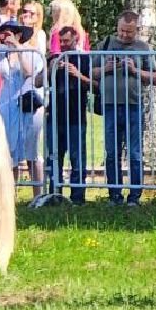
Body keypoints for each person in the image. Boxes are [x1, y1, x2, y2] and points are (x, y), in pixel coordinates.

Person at [95, 10, 156, 205]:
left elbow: (155, 78)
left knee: (135, 153)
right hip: (110, 106)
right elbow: (91, 72)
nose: (124, 35)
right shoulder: (105, 45)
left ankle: (134, 197)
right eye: (122, 31)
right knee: (112, 152)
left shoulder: (143, 48)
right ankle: (114, 195)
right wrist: (106, 68)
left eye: (129, 32)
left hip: (134, 106)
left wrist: (135, 70)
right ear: (117, 28)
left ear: (136, 31)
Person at [0, 18, 44, 191]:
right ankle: (9, 192)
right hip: (5, 104)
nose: (6, 37)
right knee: (7, 150)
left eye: (9, 33)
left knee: (31, 150)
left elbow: (28, 72)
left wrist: (17, 47)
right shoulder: (1, 53)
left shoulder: (30, 51)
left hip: (25, 104)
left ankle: (37, 193)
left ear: (18, 35)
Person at [46, 25, 92, 203]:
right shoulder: (53, 58)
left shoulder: (83, 59)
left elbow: (94, 84)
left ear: (75, 40)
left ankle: (78, 197)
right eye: (61, 41)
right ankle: (54, 193)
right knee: (54, 157)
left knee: (77, 157)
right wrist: (51, 69)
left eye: (67, 41)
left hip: (76, 116)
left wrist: (77, 74)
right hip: (55, 116)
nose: (64, 45)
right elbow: (37, 81)